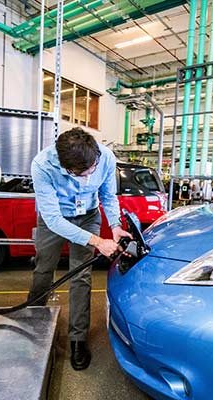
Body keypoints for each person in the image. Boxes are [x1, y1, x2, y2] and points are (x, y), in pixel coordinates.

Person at [29, 127, 131, 371]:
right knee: (44, 268)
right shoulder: (42, 165)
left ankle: (77, 339)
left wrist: (115, 225)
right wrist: (98, 242)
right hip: (54, 219)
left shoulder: (104, 157)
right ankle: (32, 321)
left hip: (88, 216)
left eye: (91, 169)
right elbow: (53, 220)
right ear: (67, 168)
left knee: (81, 276)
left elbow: (108, 195)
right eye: (82, 173)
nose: (88, 177)